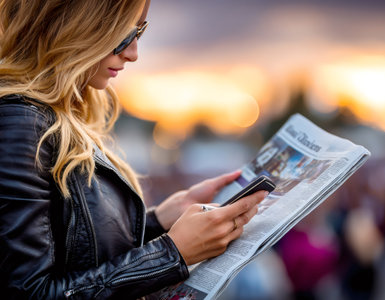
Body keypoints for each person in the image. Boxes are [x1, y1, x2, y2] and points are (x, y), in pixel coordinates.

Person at [0, 0, 266, 299]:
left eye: (141, 31)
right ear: (71, 24)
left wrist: (159, 221)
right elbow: (28, 292)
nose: (133, 53)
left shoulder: (51, 117)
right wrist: (172, 253)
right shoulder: (20, 124)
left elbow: (73, 251)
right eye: (124, 33)